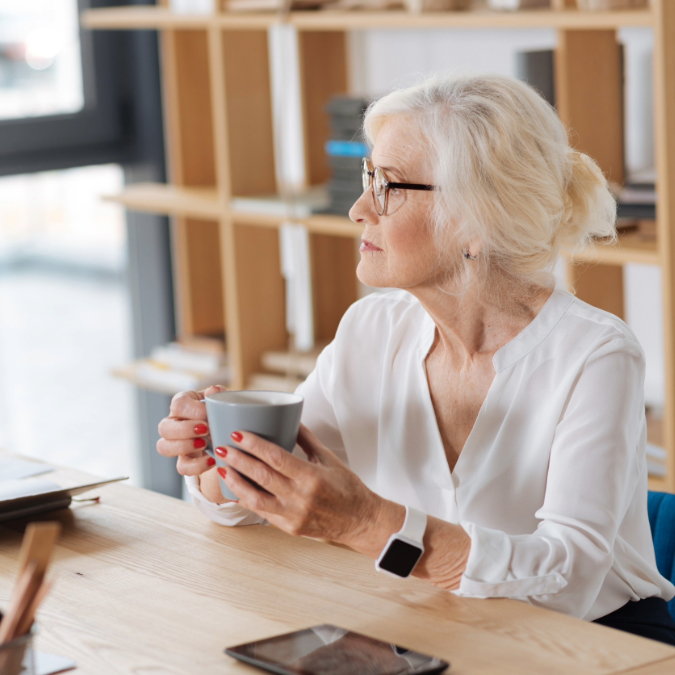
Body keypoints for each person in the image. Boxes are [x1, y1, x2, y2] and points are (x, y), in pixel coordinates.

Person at [157, 74, 675, 643]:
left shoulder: (597, 354)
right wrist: (220, 458)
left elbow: (570, 579)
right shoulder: (369, 330)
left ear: (475, 218)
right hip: (429, 620)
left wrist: (366, 524)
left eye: (389, 187)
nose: (358, 209)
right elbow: (260, 504)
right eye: (367, 178)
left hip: (595, 642)